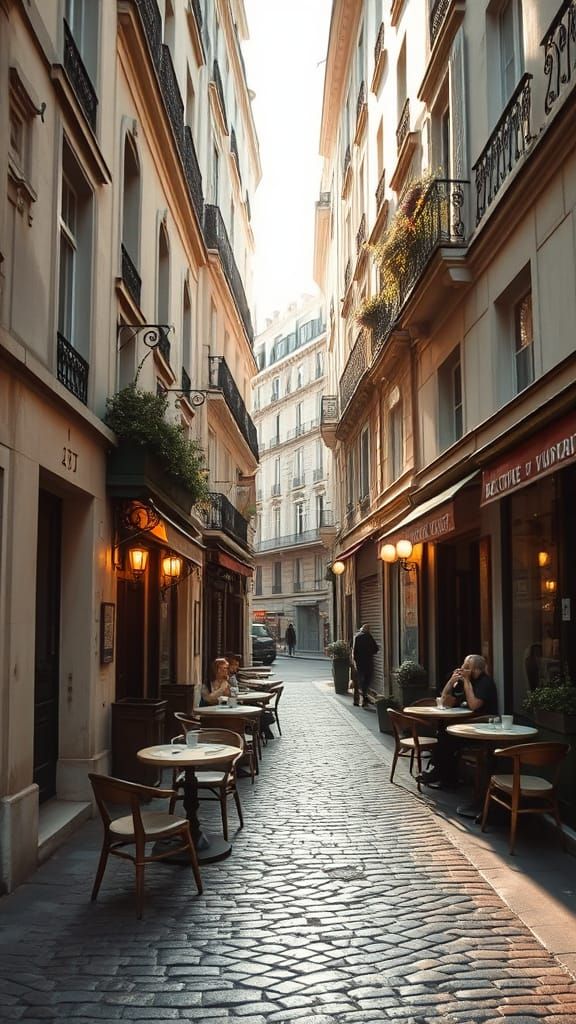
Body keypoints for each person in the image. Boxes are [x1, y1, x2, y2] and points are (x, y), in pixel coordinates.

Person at [418, 653, 499, 787]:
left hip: (482, 729)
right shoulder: (465, 682)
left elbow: (474, 705)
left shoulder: (485, 682)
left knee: (447, 738)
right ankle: (443, 775)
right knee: (443, 734)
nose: (462, 668)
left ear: (476, 670)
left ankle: (442, 775)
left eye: (466, 666)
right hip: (467, 725)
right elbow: (444, 701)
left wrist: (466, 681)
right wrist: (451, 681)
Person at [352, 624, 379, 708]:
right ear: (367, 630)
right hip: (368, 663)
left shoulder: (356, 637)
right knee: (366, 682)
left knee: (358, 682)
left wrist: (355, 662)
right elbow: (376, 649)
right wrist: (369, 653)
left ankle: (356, 701)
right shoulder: (369, 637)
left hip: (359, 663)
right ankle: (364, 699)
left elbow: (354, 652)